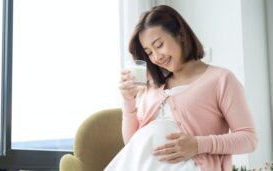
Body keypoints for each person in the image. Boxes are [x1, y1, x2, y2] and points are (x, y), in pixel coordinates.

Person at [104, 5, 257, 171]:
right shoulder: (153, 86)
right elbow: (132, 145)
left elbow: (249, 139)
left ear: (180, 35)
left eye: (159, 44)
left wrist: (197, 145)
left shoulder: (221, 79)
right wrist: (128, 100)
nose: (156, 57)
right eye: (149, 52)